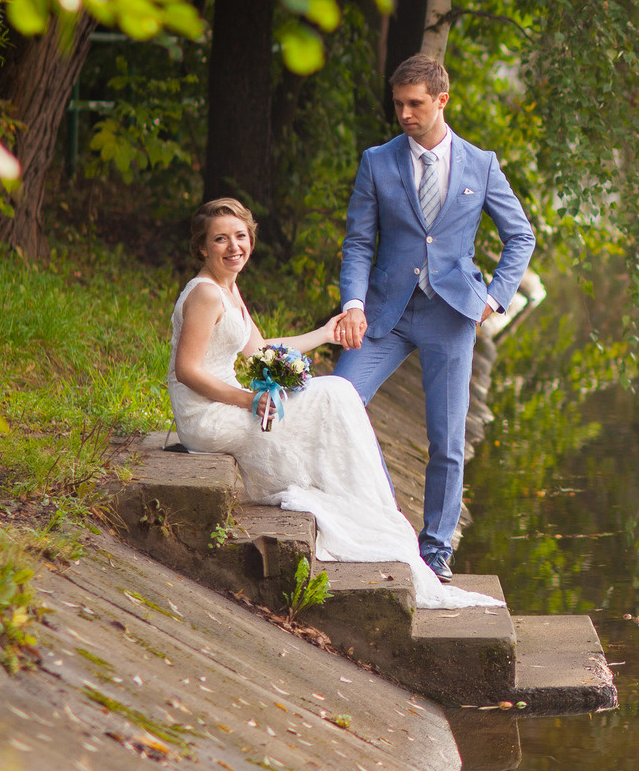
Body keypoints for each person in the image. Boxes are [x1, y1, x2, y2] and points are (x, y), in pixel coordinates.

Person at [166, 197, 499, 611]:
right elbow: (187, 371)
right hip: (206, 416)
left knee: (337, 392)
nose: (234, 246)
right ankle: (367, 508)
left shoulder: (228, 288)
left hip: (228, 403)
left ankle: (370, 507)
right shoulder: (206, 294)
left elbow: (262, 348)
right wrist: (248, 399)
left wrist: (325, 334)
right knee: (334, 396)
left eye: (240, 236)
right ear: (202, 247)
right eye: (220, 239)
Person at [332, 55, 536, 581]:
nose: (403, 113)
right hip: (385, 313)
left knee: (447, 441)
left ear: (441, 100)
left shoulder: (480, 164)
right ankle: (369, 520)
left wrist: (495, 298)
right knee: (338, 403)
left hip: (451, 314)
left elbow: (521, 236)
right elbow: (358, 243)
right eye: (398, 103)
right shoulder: (377, 162)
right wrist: (352, 304)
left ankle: (436, 552)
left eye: (415, 103)